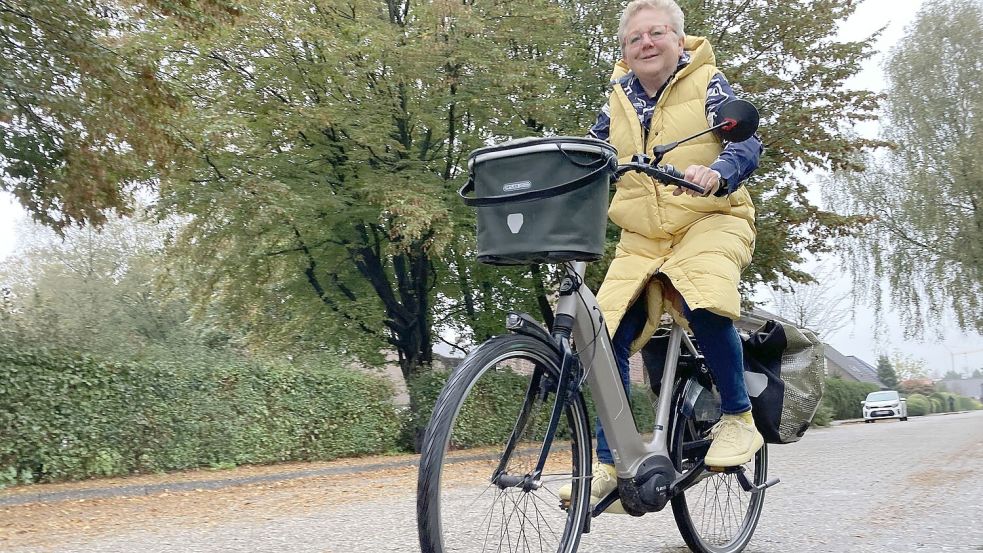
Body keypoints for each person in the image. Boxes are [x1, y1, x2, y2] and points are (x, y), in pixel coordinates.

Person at [560, 0, 764, 514]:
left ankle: (739, 419)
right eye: (635, 39)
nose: (646, 44)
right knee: (600, 334)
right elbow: (588, 156)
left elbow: (747, 143)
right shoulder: (618, 100)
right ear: (625, 54)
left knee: (706, 298)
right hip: (642, 238)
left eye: (657, 34)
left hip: (708, 217)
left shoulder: (710, 82)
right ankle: (611, 460)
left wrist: (718, 172)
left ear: (678, 39)